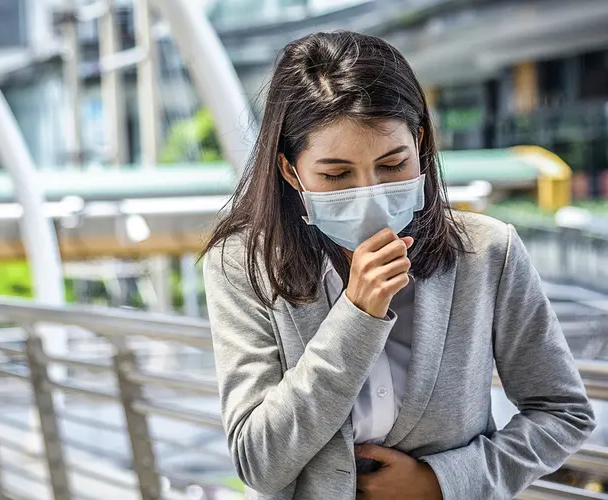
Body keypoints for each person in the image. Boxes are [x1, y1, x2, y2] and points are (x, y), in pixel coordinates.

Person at [202, 32, 595, 500]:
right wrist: (356, 315)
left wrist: (443, 482)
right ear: (291, 172)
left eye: (392, 166)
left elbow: (563, 412)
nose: (369, 192)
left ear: (420, 144)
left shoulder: (488, 253)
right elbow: (258, 463)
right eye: (336, 175)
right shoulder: (244, 264)